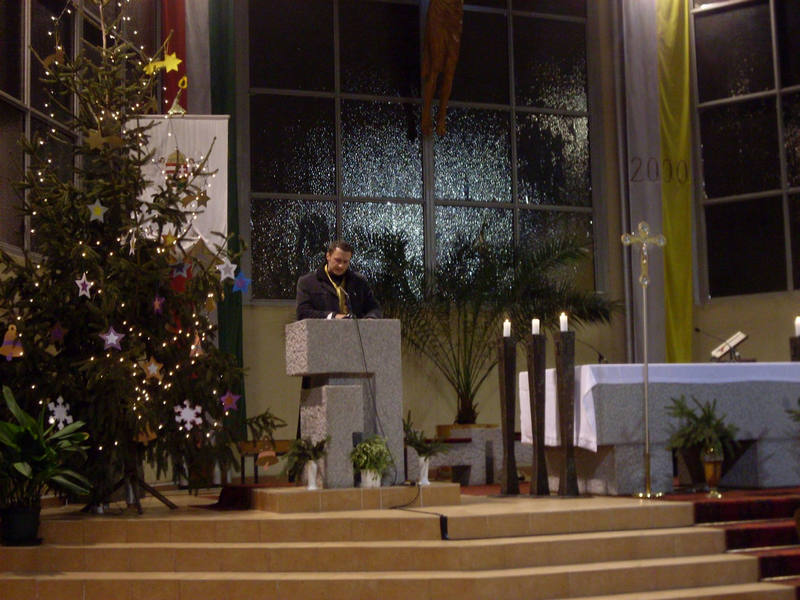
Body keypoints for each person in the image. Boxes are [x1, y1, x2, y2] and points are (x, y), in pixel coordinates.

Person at [296, 240, 381, 320]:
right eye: (338, 260)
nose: (341, 266)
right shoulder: (308, 282)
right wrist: (333, 316)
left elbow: (374, 308)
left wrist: (370, 318)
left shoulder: (359, 281)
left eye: (345, 262)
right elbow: (303, 312)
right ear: (328, 256)